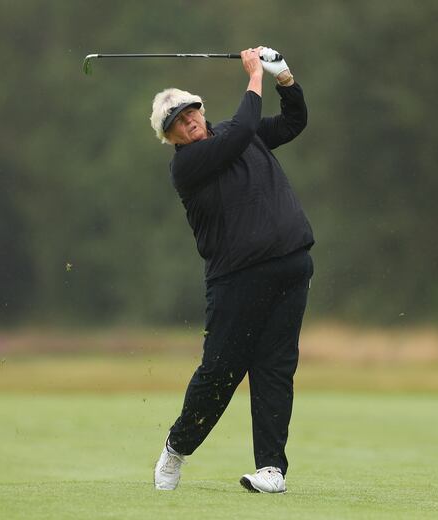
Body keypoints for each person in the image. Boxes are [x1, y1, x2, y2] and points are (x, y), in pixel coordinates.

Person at [149, 46, 314, 493]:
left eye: (190, 113)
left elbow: (293, 122)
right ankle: (175, 450)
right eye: (177, 124)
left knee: (276, 368)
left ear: (201, 110)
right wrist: (254, 75)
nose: (188, 123)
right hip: (237, 280)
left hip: (290, 265)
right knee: (220, 374)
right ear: (172, 139)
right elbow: (242, 130)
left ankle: (271, 470)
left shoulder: (237, 133)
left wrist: (284, 79)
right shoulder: (189, 165)